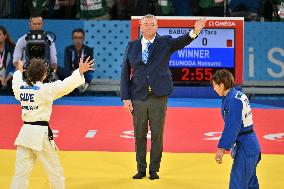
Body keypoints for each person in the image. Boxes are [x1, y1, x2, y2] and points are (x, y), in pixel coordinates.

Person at [120, 14, 206, 180]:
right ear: (140, 26)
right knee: (139, 135)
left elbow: (181, 41)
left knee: (157, 134)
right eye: (146, 24)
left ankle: (154, 169)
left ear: (157, 26)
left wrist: (195, 32)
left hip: (158, 96)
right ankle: (141, 168)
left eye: (152, 25)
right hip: (137, 96)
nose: (149, 27)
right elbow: (125, 72)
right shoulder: (132, 46)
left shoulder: (165, 42)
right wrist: (126, 97)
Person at [10, 57, 94, 189]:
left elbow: (16, 84)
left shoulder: (22, 89)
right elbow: (65, 85)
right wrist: (80, 71)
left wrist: (19, 71)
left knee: (21, 174)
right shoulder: (45, 90)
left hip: (25, 134)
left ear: (29, 73)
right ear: (44, 74)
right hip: (40, 135)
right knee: (55, 172)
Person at [211, 69, 261, 189]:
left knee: (238, 184)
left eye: (215, 86)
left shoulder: (233, 100)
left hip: (246, 146)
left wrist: (222, 149)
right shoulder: (236, 95)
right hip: (249, 145)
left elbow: (232, 127)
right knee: (249, 183)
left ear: (222, 85)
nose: (214, 89)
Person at [13, 14, 58, 78]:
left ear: (42, 24)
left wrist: (52, 73)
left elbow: (53, 60)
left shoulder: (48, 39)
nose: (37, 26)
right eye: (34, 24)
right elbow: (16, 61)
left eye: (39, 24)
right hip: (26, 72)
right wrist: (23, 72)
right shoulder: (22, 40)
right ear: (30, 24)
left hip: (45, 71)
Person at [64, 28, 94, 94]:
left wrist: (79, 74)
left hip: (83, 74)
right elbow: (67, 66)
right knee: (58, 70)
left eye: (80, 37)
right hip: (71, 74)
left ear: (83, 39)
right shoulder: (68, 49)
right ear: (72, 39)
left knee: (90, 74)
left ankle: (82, 83)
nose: (78, 40)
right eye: (75, 37)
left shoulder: (88, 50)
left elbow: (89, 67)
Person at [0, 26, 15, 95]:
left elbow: (15, 67)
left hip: (9, 81)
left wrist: (6, 79)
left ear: (5, 36)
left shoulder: (12, 49)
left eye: (0, 34)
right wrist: (1, 79)